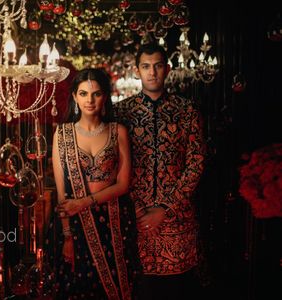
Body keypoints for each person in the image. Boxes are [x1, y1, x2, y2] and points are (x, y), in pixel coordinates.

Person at [114, 42, 206, 300]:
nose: (152, 72)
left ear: (167, 70)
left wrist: (165, 208)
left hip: (176, 220)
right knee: (139, 287)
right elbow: (113, 166)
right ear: (137, 71)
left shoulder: (186, 110)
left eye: (157, 66)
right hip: (135, 217)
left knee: (177, 289)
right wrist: (138, 208)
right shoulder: (122, 112)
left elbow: (196, 162)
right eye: (146, 66)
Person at [48, 68, 138, 299]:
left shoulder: (118, 132)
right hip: (76, 226)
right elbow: (61, 196)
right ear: (75, 97)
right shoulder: (62, 134)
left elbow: (123, 184)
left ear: (105, 97)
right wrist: (67, 235)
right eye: (83, 93)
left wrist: (84, 202)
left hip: (115, 221)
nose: (90, 100)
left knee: (118, 287)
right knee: (78, 288)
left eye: (96, 94)